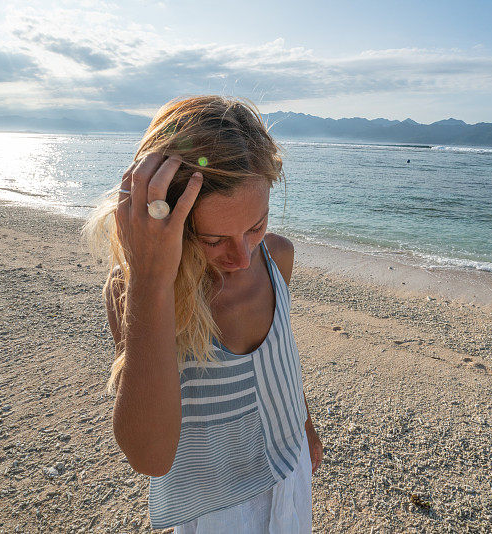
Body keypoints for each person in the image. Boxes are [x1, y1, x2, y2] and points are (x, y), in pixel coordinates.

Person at [82, 95, 323, 532]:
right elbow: (150, 457)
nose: (243, 256)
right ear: (167, 219)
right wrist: (151, 282)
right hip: (212, 507)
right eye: (214, 240)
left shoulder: (278, 258)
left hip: (289, 476)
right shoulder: (136, 294)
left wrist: (304, 422)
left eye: (256, 225)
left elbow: (281, 355)